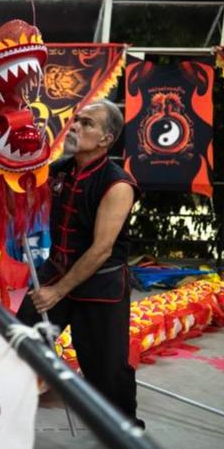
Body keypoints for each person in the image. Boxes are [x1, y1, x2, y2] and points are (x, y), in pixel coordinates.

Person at [17, 99, 144, 428]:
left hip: (99, 284)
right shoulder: (61, 170)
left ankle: (126, 434)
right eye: (76, 121)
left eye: (87, 124)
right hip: (56, 271)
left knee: (106, 367)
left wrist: (57, 292)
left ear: (106, 138)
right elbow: (24, 191)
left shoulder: (117, 185)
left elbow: (102, 249)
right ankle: (9, 407)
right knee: (19, 339)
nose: (75, 127)